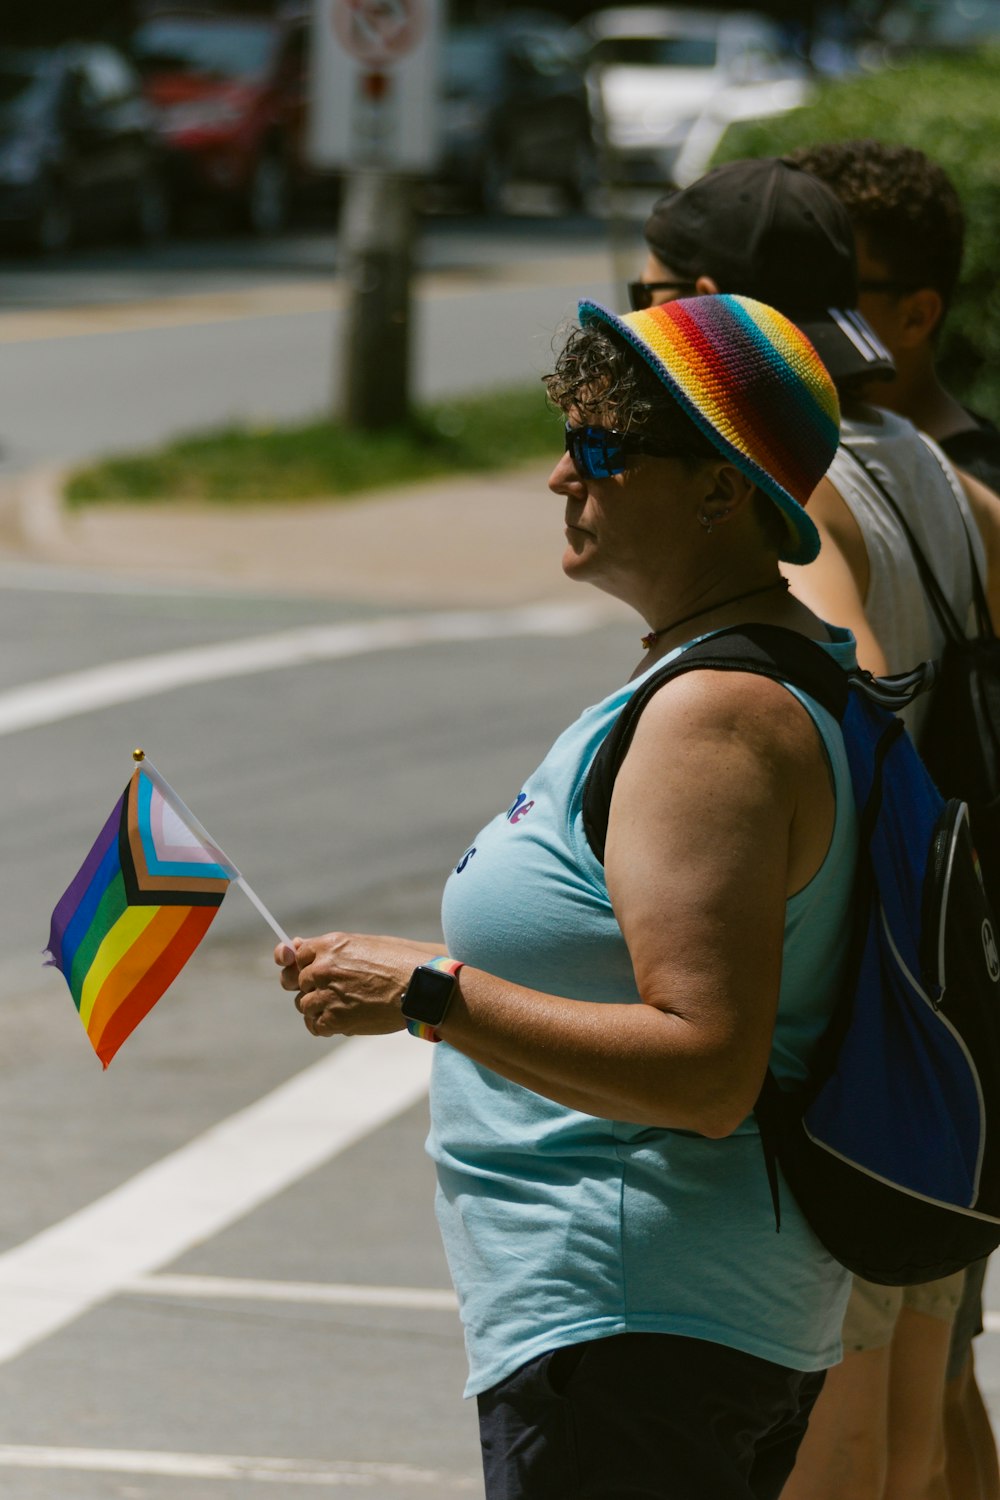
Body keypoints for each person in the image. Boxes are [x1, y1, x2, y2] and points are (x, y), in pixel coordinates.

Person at [277, 291, 859, 1500]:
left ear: (719, 491)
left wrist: (429, 993)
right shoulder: (738, 676)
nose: (558, 476)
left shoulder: (716, 718)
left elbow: (705, 1070)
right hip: (641, 1319)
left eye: (600, 450)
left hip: (638, 1317)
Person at [632, 156, 1000, 1500]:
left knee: (842, 1438)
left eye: (655, 295)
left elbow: (822, 670)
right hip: (943, 1012)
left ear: (714, 306)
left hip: (847, 1023)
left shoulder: (814, 481)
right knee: (916, 1399)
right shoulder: (922, 462)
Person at [791, 138, 1000, 1500]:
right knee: (935, 1377)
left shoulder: (917, 470)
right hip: (949, 991)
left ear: (911, 311)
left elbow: (866, 685)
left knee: (885, 1400)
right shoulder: (941, 470)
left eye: (842, 292)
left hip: (907, 991)